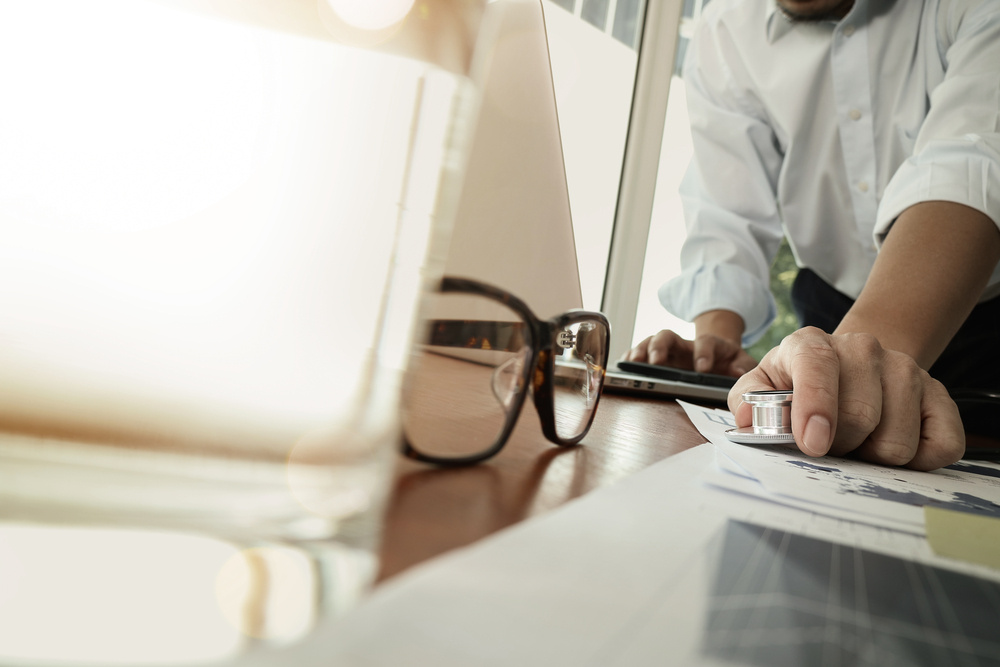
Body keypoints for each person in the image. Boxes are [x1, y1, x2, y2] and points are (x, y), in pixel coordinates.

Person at [627, 0, 1000, 470]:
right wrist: (716, 352)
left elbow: (972, 164)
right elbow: (727, 203)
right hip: (830, 311)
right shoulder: (725, 24)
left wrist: (839, 373)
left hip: (988, 332)